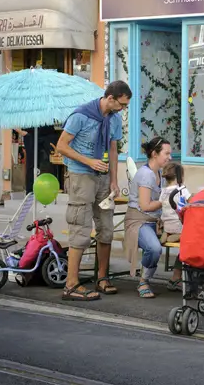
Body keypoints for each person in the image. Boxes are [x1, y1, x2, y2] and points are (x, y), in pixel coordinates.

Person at [57, 80, 130, 301]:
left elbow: (113, 148)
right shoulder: (80, 115)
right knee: (80, 228)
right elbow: (61, 146)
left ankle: (102, 277)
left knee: (106, 228)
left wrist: (114, 180)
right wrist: (88, 161)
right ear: (110, 98)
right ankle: (71, 285)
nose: (123, 109)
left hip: (104, 177)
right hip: (81, 175)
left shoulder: (114, 119)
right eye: (122, 104)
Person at [123, 137, 172, 299]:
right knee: (154, 248)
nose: (169, 157)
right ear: (154, 154)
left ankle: (177, 278)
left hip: (154, 221)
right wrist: (166, 200)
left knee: (189, 238)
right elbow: (145, 206)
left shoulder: (161, 173)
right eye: (166, 153)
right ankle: (144, 281)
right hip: (139, 221)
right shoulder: (146, 175)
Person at [160, 161, 188, 291]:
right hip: (178, 224)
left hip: (167, 224)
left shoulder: (164, 191)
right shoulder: (182, 190)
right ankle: (178, 235)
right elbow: (190, 202)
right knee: (190, 242)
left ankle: (167, 234)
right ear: (179, 177)